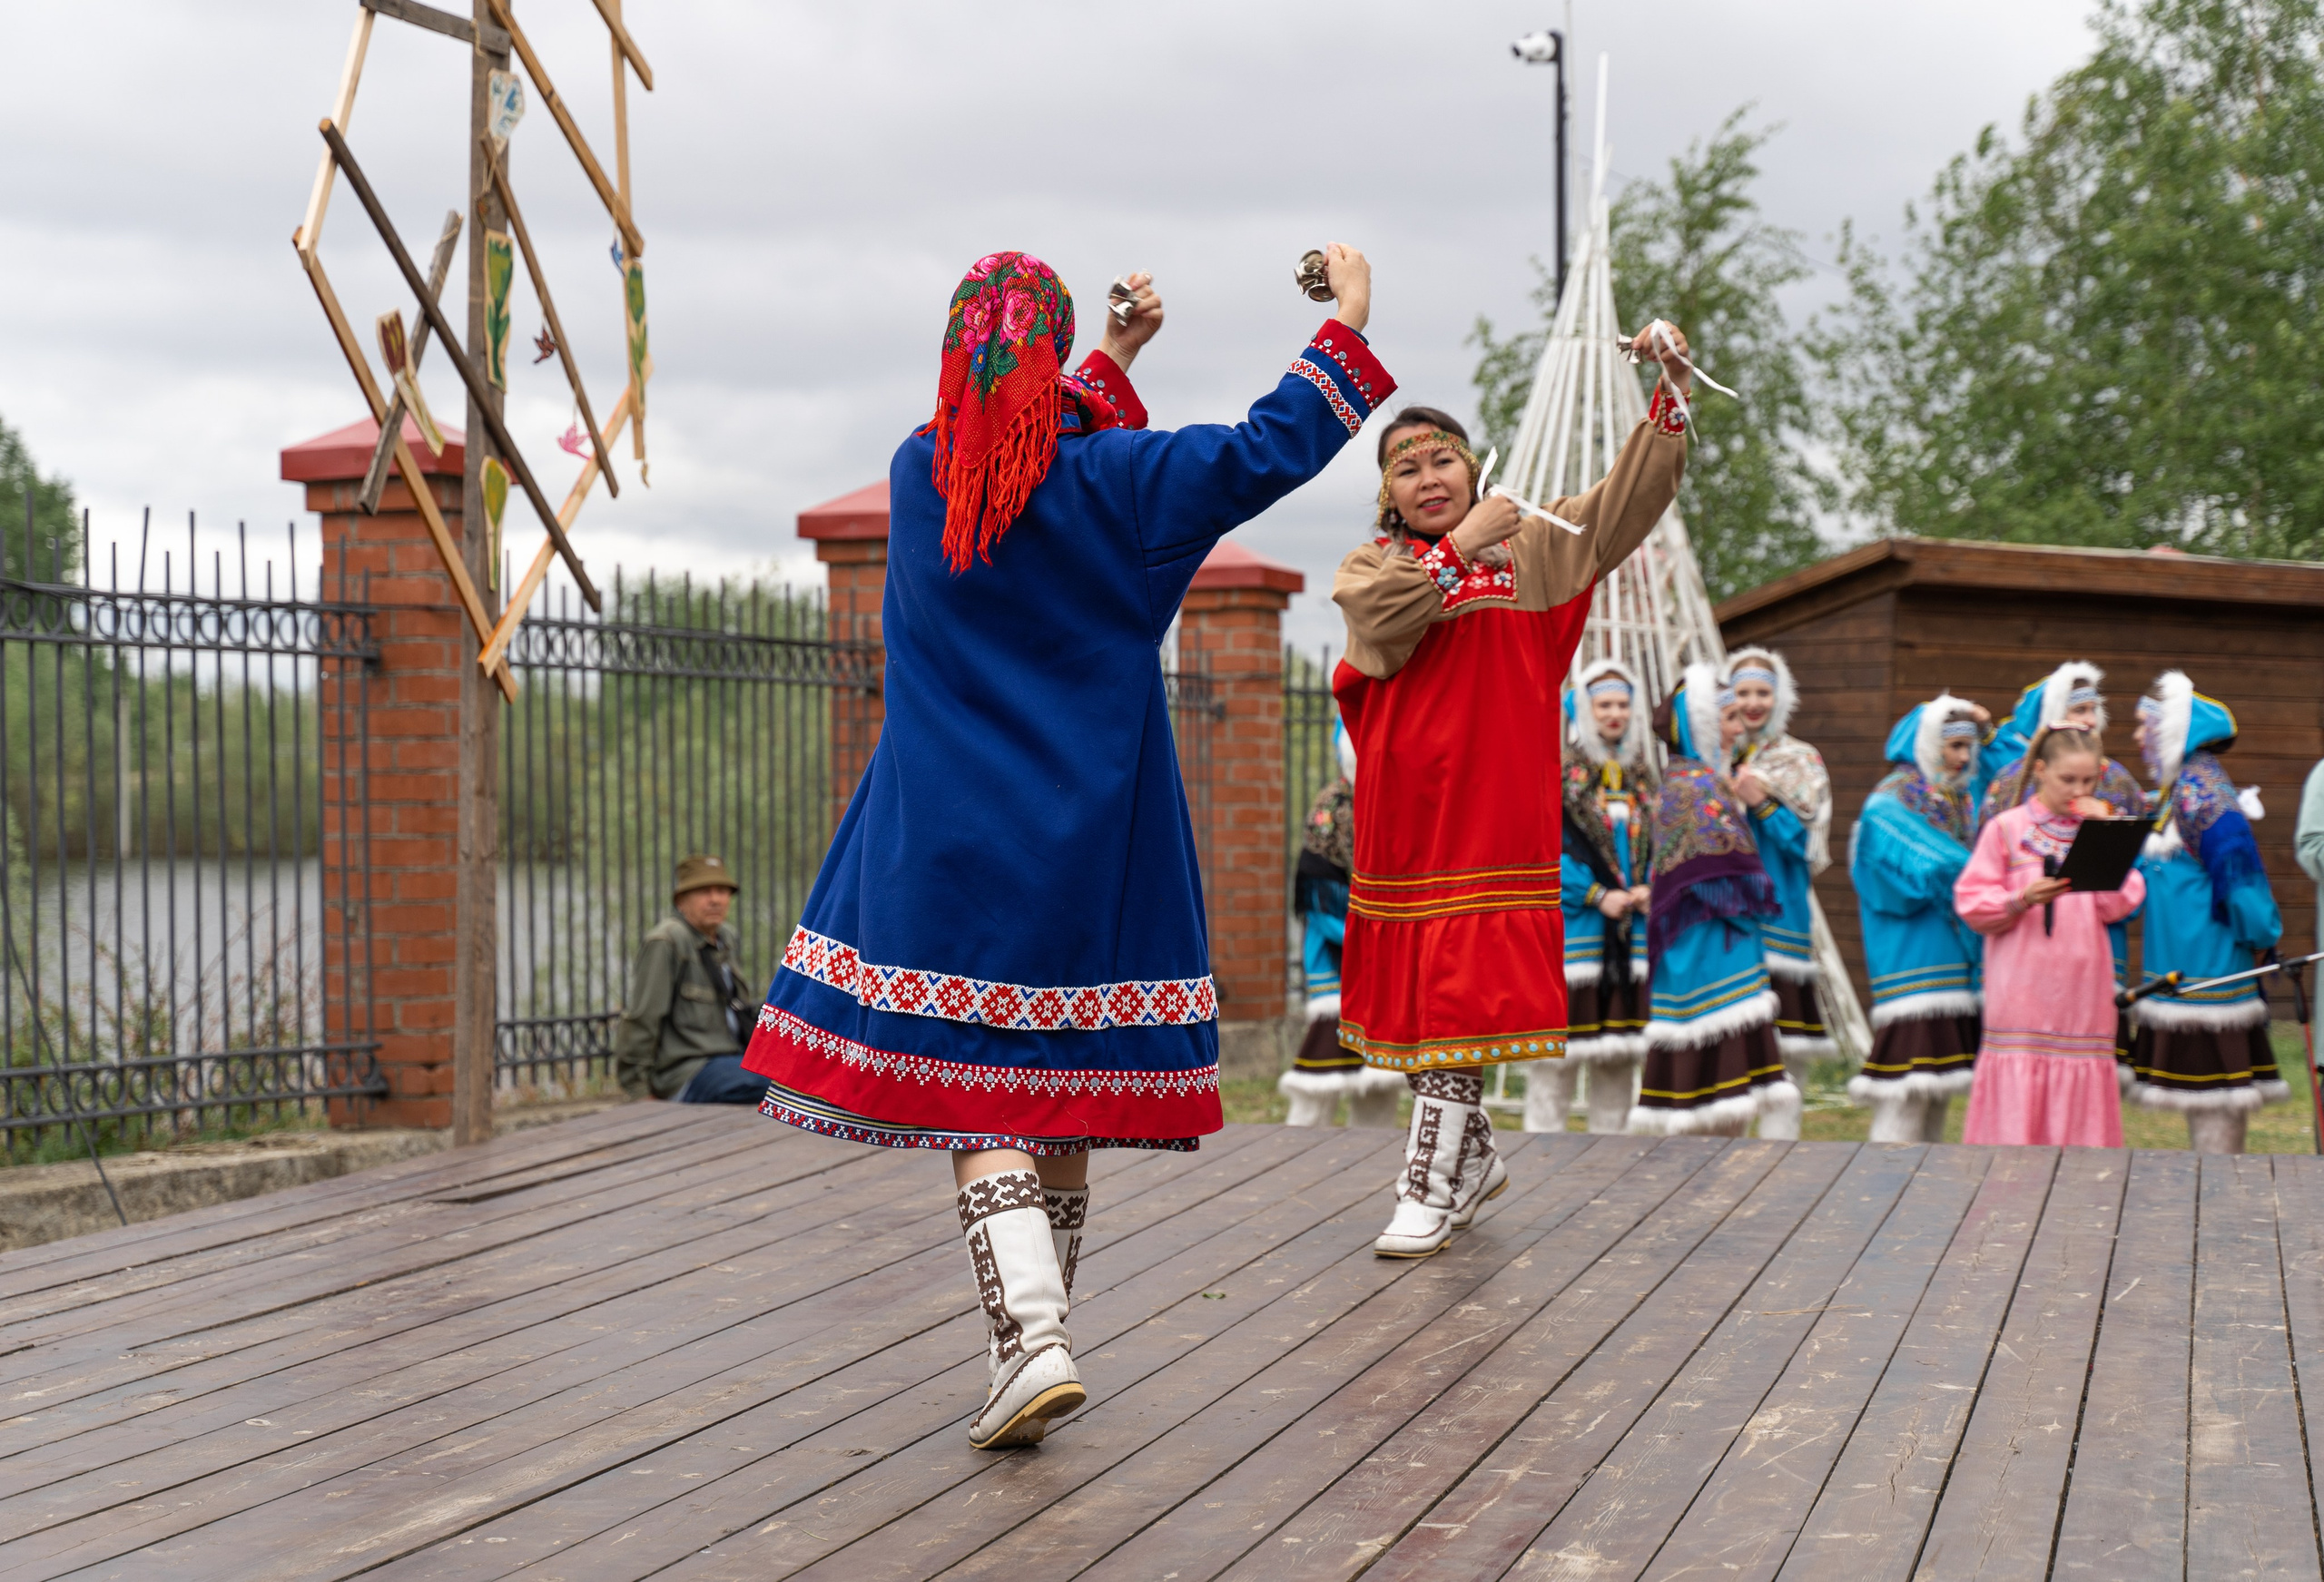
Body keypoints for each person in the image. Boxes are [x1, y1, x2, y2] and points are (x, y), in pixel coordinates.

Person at [741, 247, 1396, 1449]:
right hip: (1090, 835)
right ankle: (1035, 1345)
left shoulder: (920, 475)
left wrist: (1113, 358)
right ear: (1050, 360)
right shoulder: (1123, 485)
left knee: (975, 1087)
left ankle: (1029, 1341)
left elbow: (1014, 441)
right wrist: (1345, 324)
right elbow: (1263, 448)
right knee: (1054, 1090)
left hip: (943, 837)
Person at [1332, 326, 1695, 1259]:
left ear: (1470, 463)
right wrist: (1459, 548)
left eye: (1442, 457)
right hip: (1404, 817)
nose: (1428, 476)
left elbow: (1624, 503)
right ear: (1388, 494)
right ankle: (1477, 1154)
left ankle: (1426, 1184)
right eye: (1405, 468)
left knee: (1459, 997)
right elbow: (1382, 620)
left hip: (1494, 814)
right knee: (1421, 1003)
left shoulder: (1536, 547)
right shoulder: (1374, 568)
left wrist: (1670, 391)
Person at [1955, 726, 2144, 1147]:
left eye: (2089, 781)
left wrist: (2108, 834)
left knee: (2080, 1092)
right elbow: (1971, 902)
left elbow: (2120, 902)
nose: (2078, 790)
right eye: (2067, 779)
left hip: (2083, 992)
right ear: (2040, 770)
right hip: (2021, 991)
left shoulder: (2096, 829)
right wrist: (2020, 898)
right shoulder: (2006, 829)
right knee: (2020, 1091)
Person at [1629, 665, 1797, 1135]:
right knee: (1719, 1094)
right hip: (1710, 951)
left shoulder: (1693, 781)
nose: (1740, 729)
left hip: (1707, 944)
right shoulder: (1696, 788)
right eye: (1730, 719)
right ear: (1702, 725)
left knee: (1718, 1096)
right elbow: (1723, 875)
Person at [2128, 672, 2286, 1152]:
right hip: (2184, 973)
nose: (2136, 736)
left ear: (2170, 730)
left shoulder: (2207, 797)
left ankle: (2219, 1192)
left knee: (2216, 1111)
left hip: (2212, 975)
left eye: (2144, 725)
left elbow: (2243, 884)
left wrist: (2262, 935)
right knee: (2204, 1108)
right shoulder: (2178, 791)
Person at [1977, 660, 2147, 1082]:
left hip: (2092, 931)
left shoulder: (2116, 779)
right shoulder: (2009, 780)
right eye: (2078, 710)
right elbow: (1989, 854)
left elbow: (2132, 856)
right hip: (2025, 938)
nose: (2087, 720)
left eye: (2092, 710)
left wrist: (2104, 827)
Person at [1522, 657, 1656, 1135]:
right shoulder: (1561, 775)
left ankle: (1610, 1154)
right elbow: (1539, 851)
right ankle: (1540, 1149)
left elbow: (1660, 842)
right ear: (1584, 709)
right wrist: (1596, 894)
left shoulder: (1642, 776)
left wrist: (1650, 886)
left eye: (1622, 705)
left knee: (1617, 1057)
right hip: (1576, 931)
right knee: (1556, 1056)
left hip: (1629, 934)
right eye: (1604, 705)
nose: (1615, 714)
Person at [1847, 696, 1987, 1142]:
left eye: (1969, 747)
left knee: (1938, 1085)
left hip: (1951, 958)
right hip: (1912, 957)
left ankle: (1924, 1178)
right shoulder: (1889, 801)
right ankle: (1885, 1176)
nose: (1964, 757)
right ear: (1928, 744)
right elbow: (1933, 868)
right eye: (1954, 746)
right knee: (1908, 1086)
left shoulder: (1958, 798)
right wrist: (1983, 872)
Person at [1725, 646, 1833, 1136]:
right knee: (1730, 1049)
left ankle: (1780, 1154)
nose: (1752, 703)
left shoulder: (1801, 760)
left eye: (1763, 693)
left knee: (1785, 1054)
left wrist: (1762, 804)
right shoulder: (1712, 760)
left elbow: (1806, 847)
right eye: (1742, 692)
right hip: (1728, 922)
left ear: (1780, 698)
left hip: (1779, 916)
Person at [1281, 722, 1403, 1127]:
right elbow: (1317, 896)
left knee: (1379, 1074)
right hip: (1338, 952)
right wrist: (1365, 935)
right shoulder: (1330, 809)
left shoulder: (1394, 802)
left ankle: (1373, 1151)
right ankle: (1297, 1149)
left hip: (1385, 956)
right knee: (1322, 1072)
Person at [613, 853, 763, 1104]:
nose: (715, 900)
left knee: (803, 1076)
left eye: (722, 891)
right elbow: (643, 1018)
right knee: (772, 1088)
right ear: (681, 901)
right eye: (704, 891)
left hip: (731, 1060)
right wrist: (639, 1090)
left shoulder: (726, 938)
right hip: (688, 1070)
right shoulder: (667, 941)